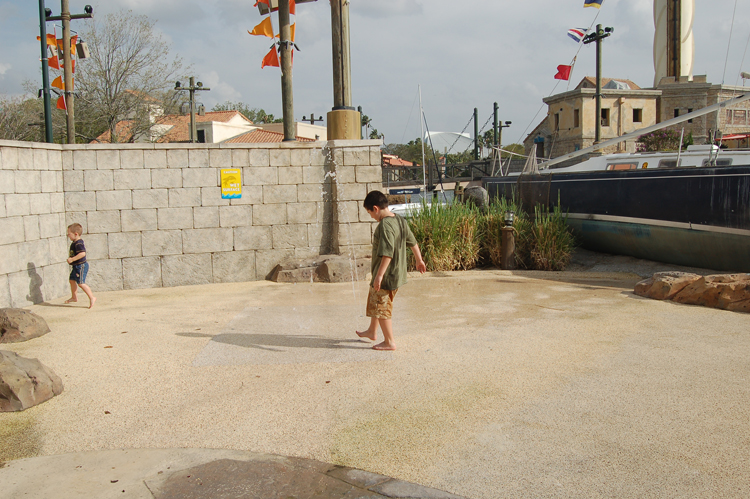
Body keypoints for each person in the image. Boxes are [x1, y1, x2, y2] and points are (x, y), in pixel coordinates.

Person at [356, 191, 426, 350]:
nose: (371, 217)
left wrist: (379, 276)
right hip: (396, 273)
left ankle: (389, 341)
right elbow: (412, 241)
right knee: (376, 301)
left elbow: (388, 252)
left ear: (375, 208)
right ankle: (372, 331)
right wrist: (419, 260)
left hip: (387, 276)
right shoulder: (399, 220)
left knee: (382, 308)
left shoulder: (385, 226)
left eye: (370, 213)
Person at [65, 223, 96, 309]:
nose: (68, 236)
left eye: (69, 234)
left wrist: (72, 259)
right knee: (72, 280)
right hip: (75, 266)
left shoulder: (78, 243)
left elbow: (82, 253)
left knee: (81, 283)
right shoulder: (74, 242)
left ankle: (92, 297)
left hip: (81, 266)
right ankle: (74, 297)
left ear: (76, 234)